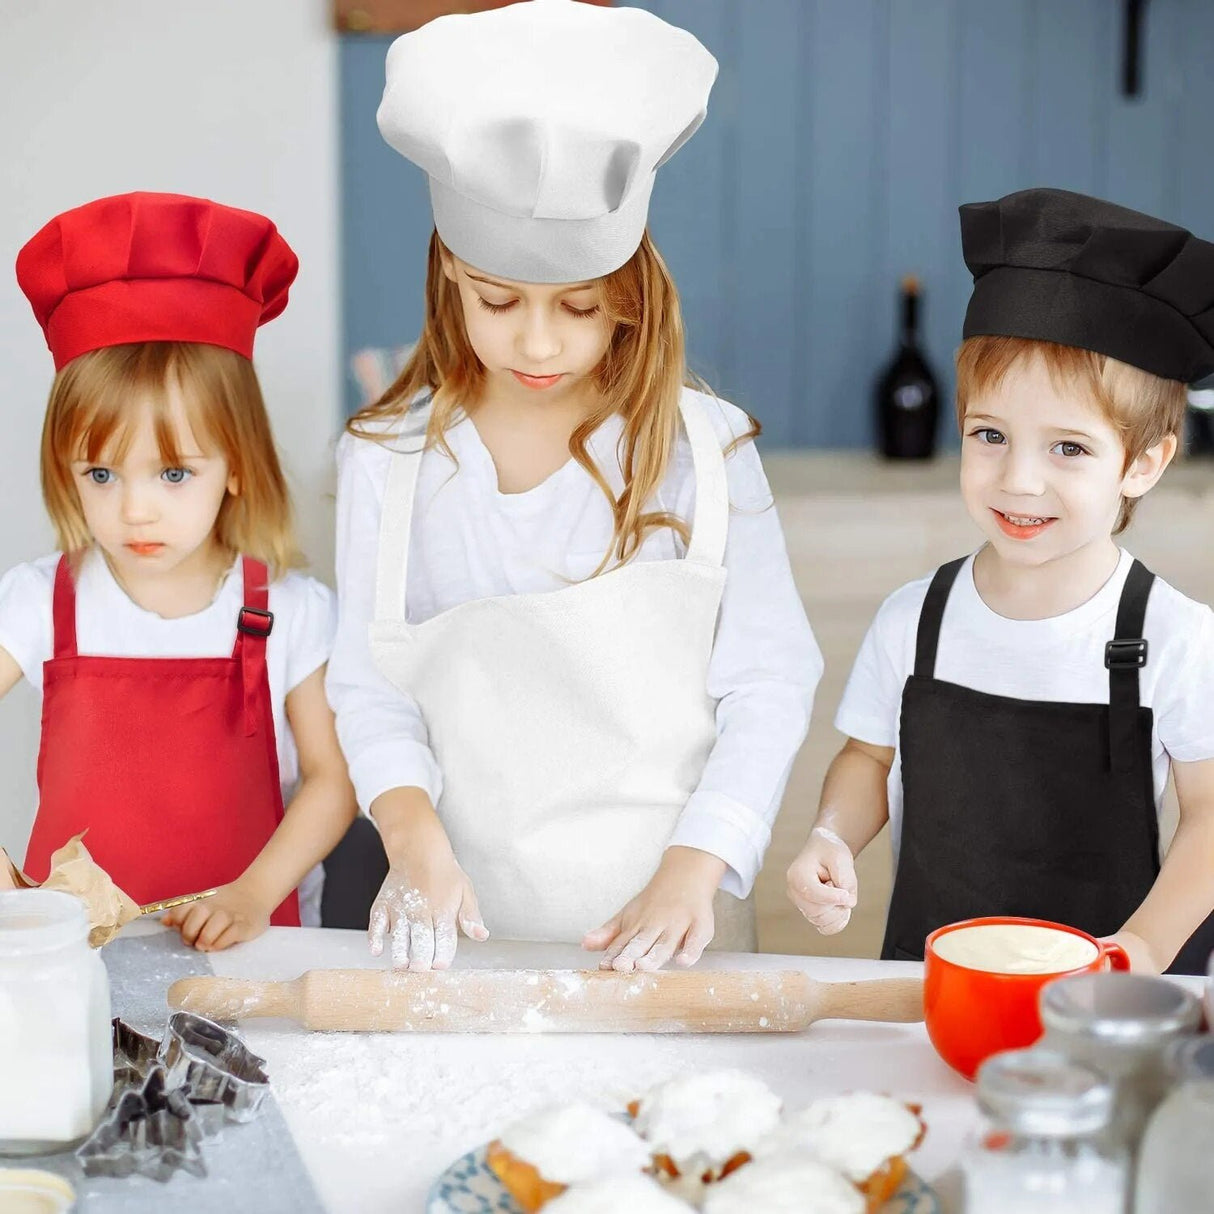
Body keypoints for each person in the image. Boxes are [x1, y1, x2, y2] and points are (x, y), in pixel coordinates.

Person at [326, 0, 822, 973]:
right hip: (460, 935)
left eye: (580, 306)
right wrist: (410, 832)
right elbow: (368, 685)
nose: (539, 342)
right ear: (447, 280)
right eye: (497, 301)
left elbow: (767, 680)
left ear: (630, 293)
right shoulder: (387, 458)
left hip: (675, 931)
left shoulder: (701, 450)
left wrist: (697, 860)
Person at [788, 188, 1214, 975]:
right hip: (934, 987)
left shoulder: (1177, 637)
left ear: (1144, 464)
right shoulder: (915, 620)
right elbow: (868, 761)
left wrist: (1144, 948)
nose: (1018, 480)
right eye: (990, 435)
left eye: (1068, 449)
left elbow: (1210, 818)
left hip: (1107, 999)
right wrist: (830, 836)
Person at [1, 191, 356, 946]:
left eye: (172, 474)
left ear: (235, 464)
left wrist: (253, 895)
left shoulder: (291, 611)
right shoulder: (40, 604)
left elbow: (333, 781)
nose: (135, 511)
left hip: (257, 954)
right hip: (77, 961)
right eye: (101, 475)